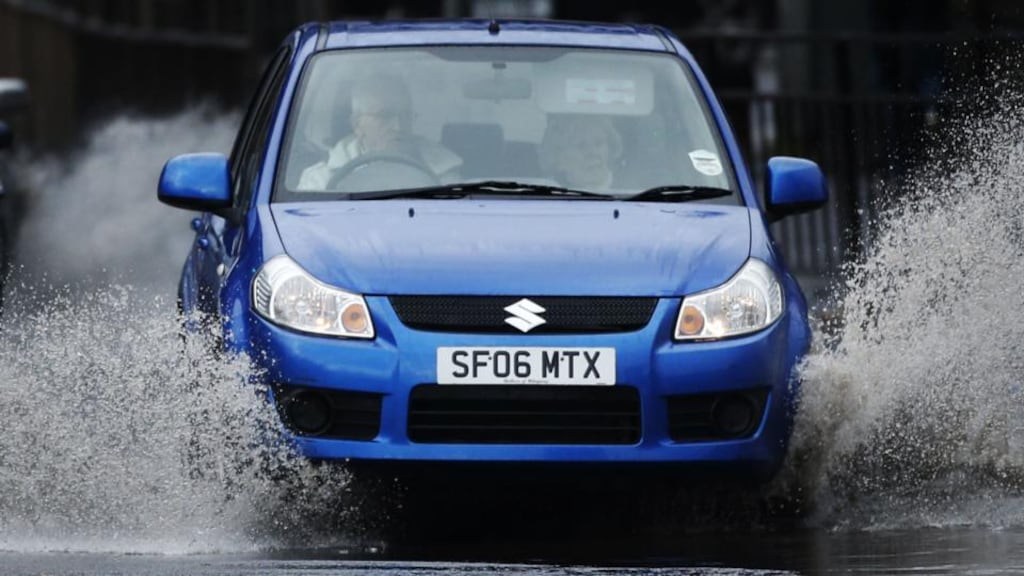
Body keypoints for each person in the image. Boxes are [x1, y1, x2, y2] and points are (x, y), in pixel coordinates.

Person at [297, 73, 462, 190]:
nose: (399, 127)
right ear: (357, 125)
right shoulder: (321, 180)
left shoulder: (442, 170)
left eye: (406, 116)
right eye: (385, 116)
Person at [538, 114, 623, 190]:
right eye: (581, 146)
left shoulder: (628, 187)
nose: (593, 152)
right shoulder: (545, 193)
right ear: (559, 158)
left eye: (599, 143)